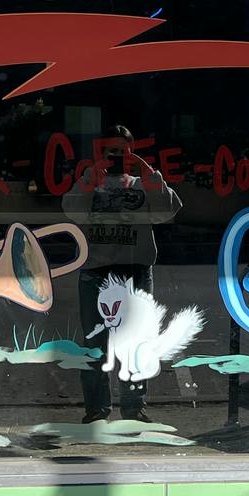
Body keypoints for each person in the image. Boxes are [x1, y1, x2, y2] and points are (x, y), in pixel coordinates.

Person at [63, 124, 183, 424]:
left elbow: (168, 210)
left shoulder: (142, 183)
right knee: (94, 342)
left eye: (124, 151)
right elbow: (71, 210)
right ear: (101, 153)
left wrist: (147, 172)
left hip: (134, 270)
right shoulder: (91, 182)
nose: (117, 157)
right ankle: (96, 409)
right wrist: (92, 174)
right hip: (96, 270)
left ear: (133, 152)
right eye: (111, 152)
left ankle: (133, 408)